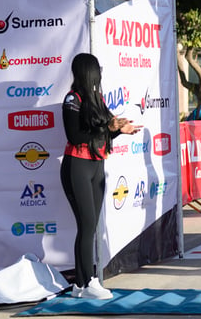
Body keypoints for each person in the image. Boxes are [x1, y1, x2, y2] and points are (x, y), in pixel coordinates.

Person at [60, 53, 142, 299]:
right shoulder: (72, 100)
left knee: (89, 227)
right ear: (88, 72)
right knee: (86, 226)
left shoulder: (98, 98)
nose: (100, 73)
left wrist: (119, 131)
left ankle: (80, 285)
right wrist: (108, 127)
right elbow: (75, 137)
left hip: (96, 166)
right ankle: (88, 282)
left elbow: (103, 135)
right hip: (77, 166)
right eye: (96, 69)